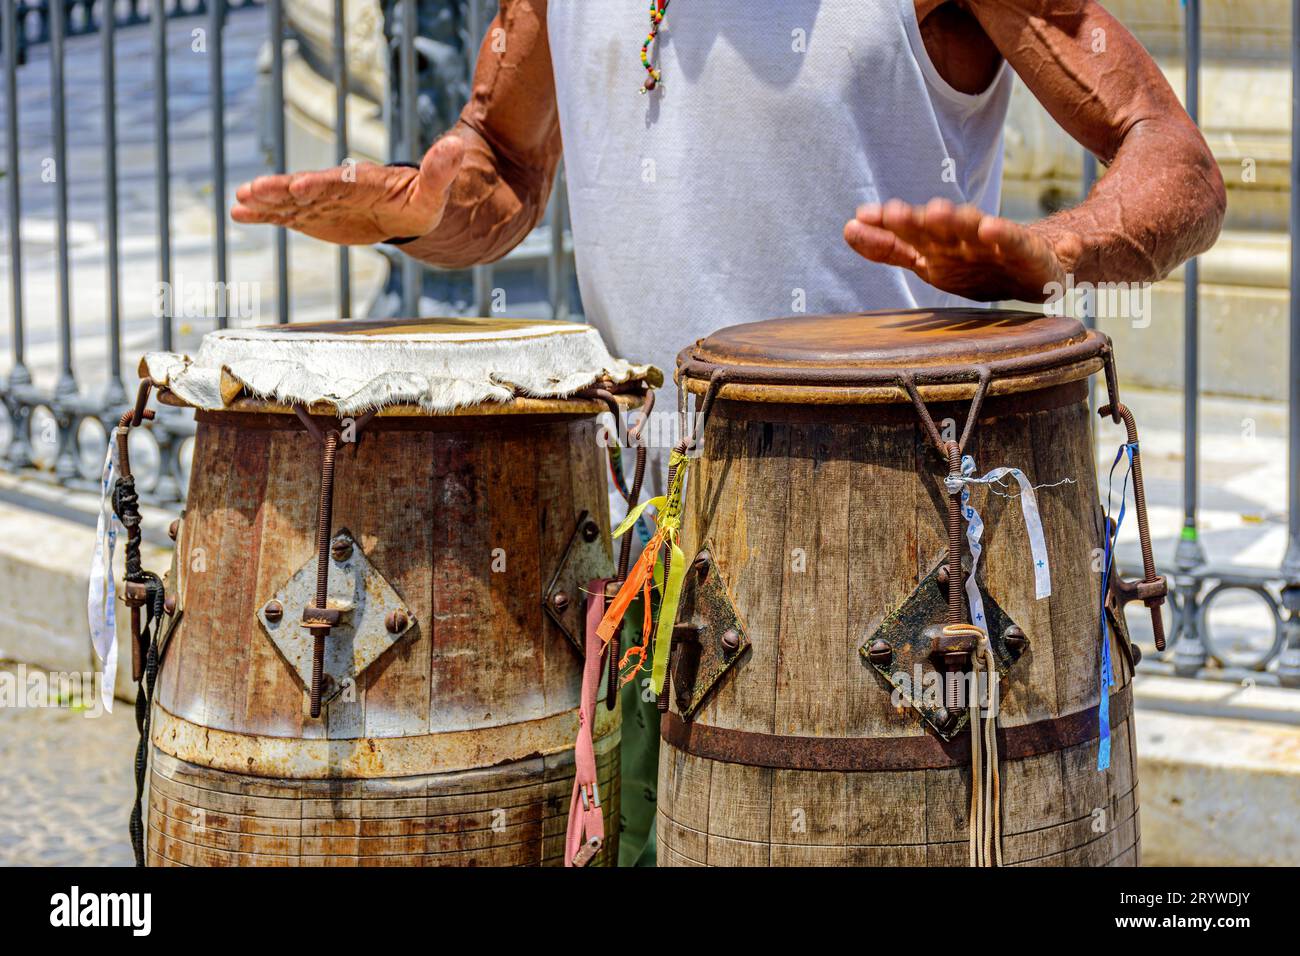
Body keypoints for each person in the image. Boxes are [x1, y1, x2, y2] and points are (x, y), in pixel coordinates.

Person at [231, 0, 1226, 865]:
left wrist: (1049, 252)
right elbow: (501, 163)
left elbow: (1170, 155)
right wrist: (417, 208)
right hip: (649, 559)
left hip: (904, 564)